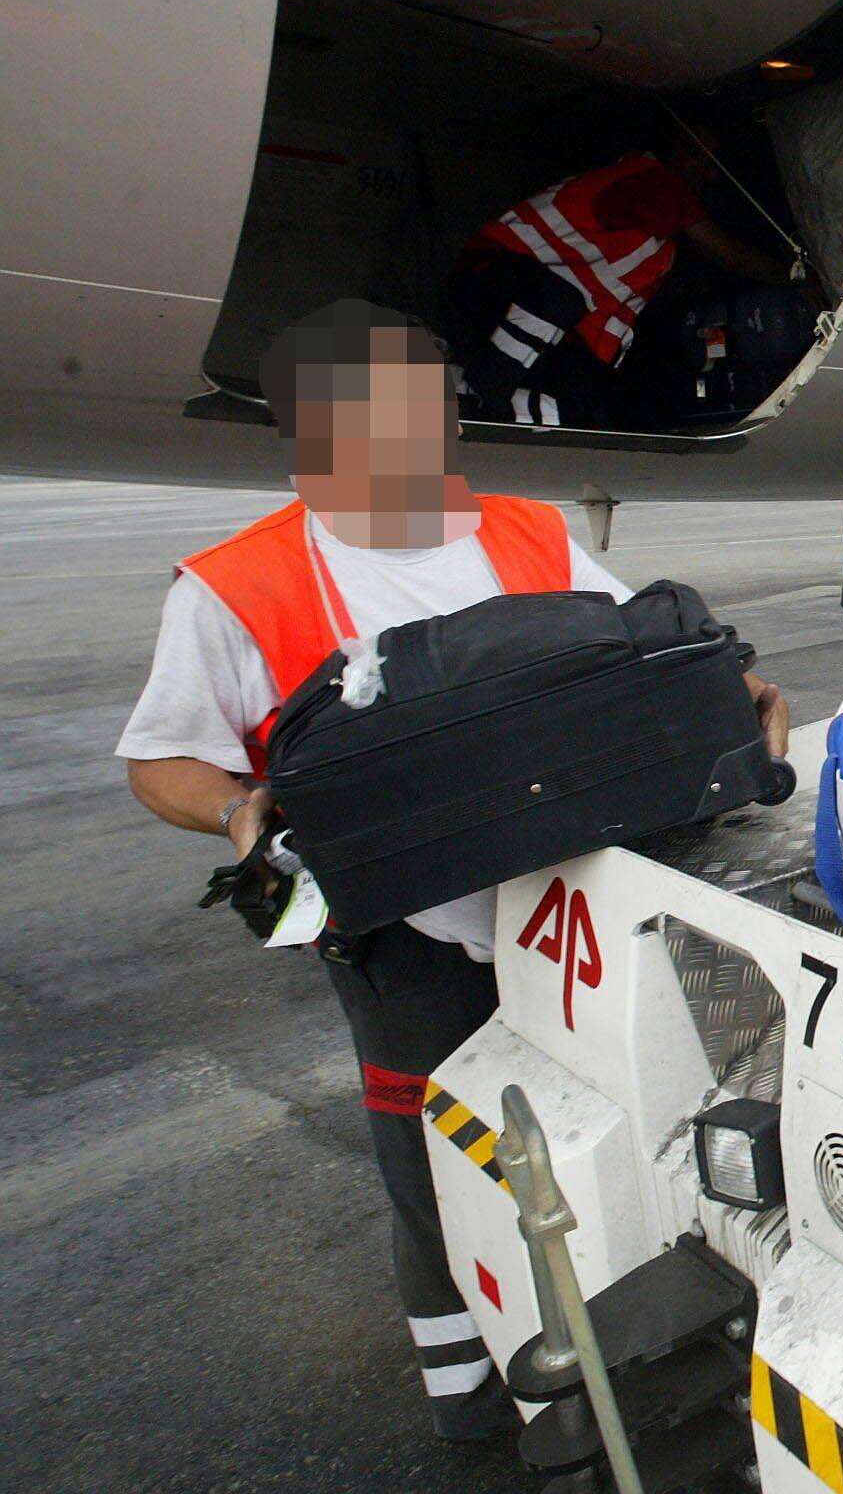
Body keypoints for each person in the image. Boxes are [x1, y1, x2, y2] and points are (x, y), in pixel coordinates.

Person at [120, 300, 790, 1440]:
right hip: (413, 935)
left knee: (616, 1132)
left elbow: (627, 660)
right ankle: (470, 1397)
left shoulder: (528, 533)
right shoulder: (241, 582)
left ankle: (617, 1352)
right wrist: (239, 810)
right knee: (440, 1162)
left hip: (574, 896)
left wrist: (730, 702)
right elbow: (158, 757)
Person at [450, 123, 827, 429]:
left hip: (534, 314)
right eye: (706, 162)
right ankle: (478, 393)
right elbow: (730, 255)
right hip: (494, 282)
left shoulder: (652, 219)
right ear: (681, 153)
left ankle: (483, 411)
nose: (712, 176)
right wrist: (798, 278)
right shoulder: (652, 182)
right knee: (557, 303)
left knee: (592, 411)